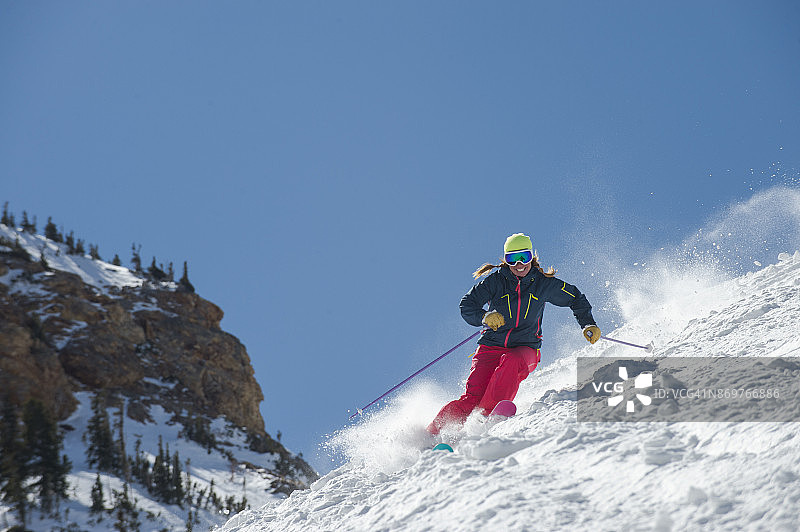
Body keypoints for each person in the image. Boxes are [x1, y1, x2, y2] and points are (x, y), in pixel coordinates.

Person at [426, 233, 601, 435]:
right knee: (471, 399)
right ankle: (431, 436)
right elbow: (467, 305)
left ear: (531, 257)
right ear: (505, 260)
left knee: (512, 360)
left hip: (526, 349)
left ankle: (486, 417)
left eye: (524, 258)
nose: (519, 264)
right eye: (512, 259)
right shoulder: (496, 282)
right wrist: (484, 317)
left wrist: (588, 324)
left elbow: (575, 298)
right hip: (490, 346)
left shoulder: (543, 284)